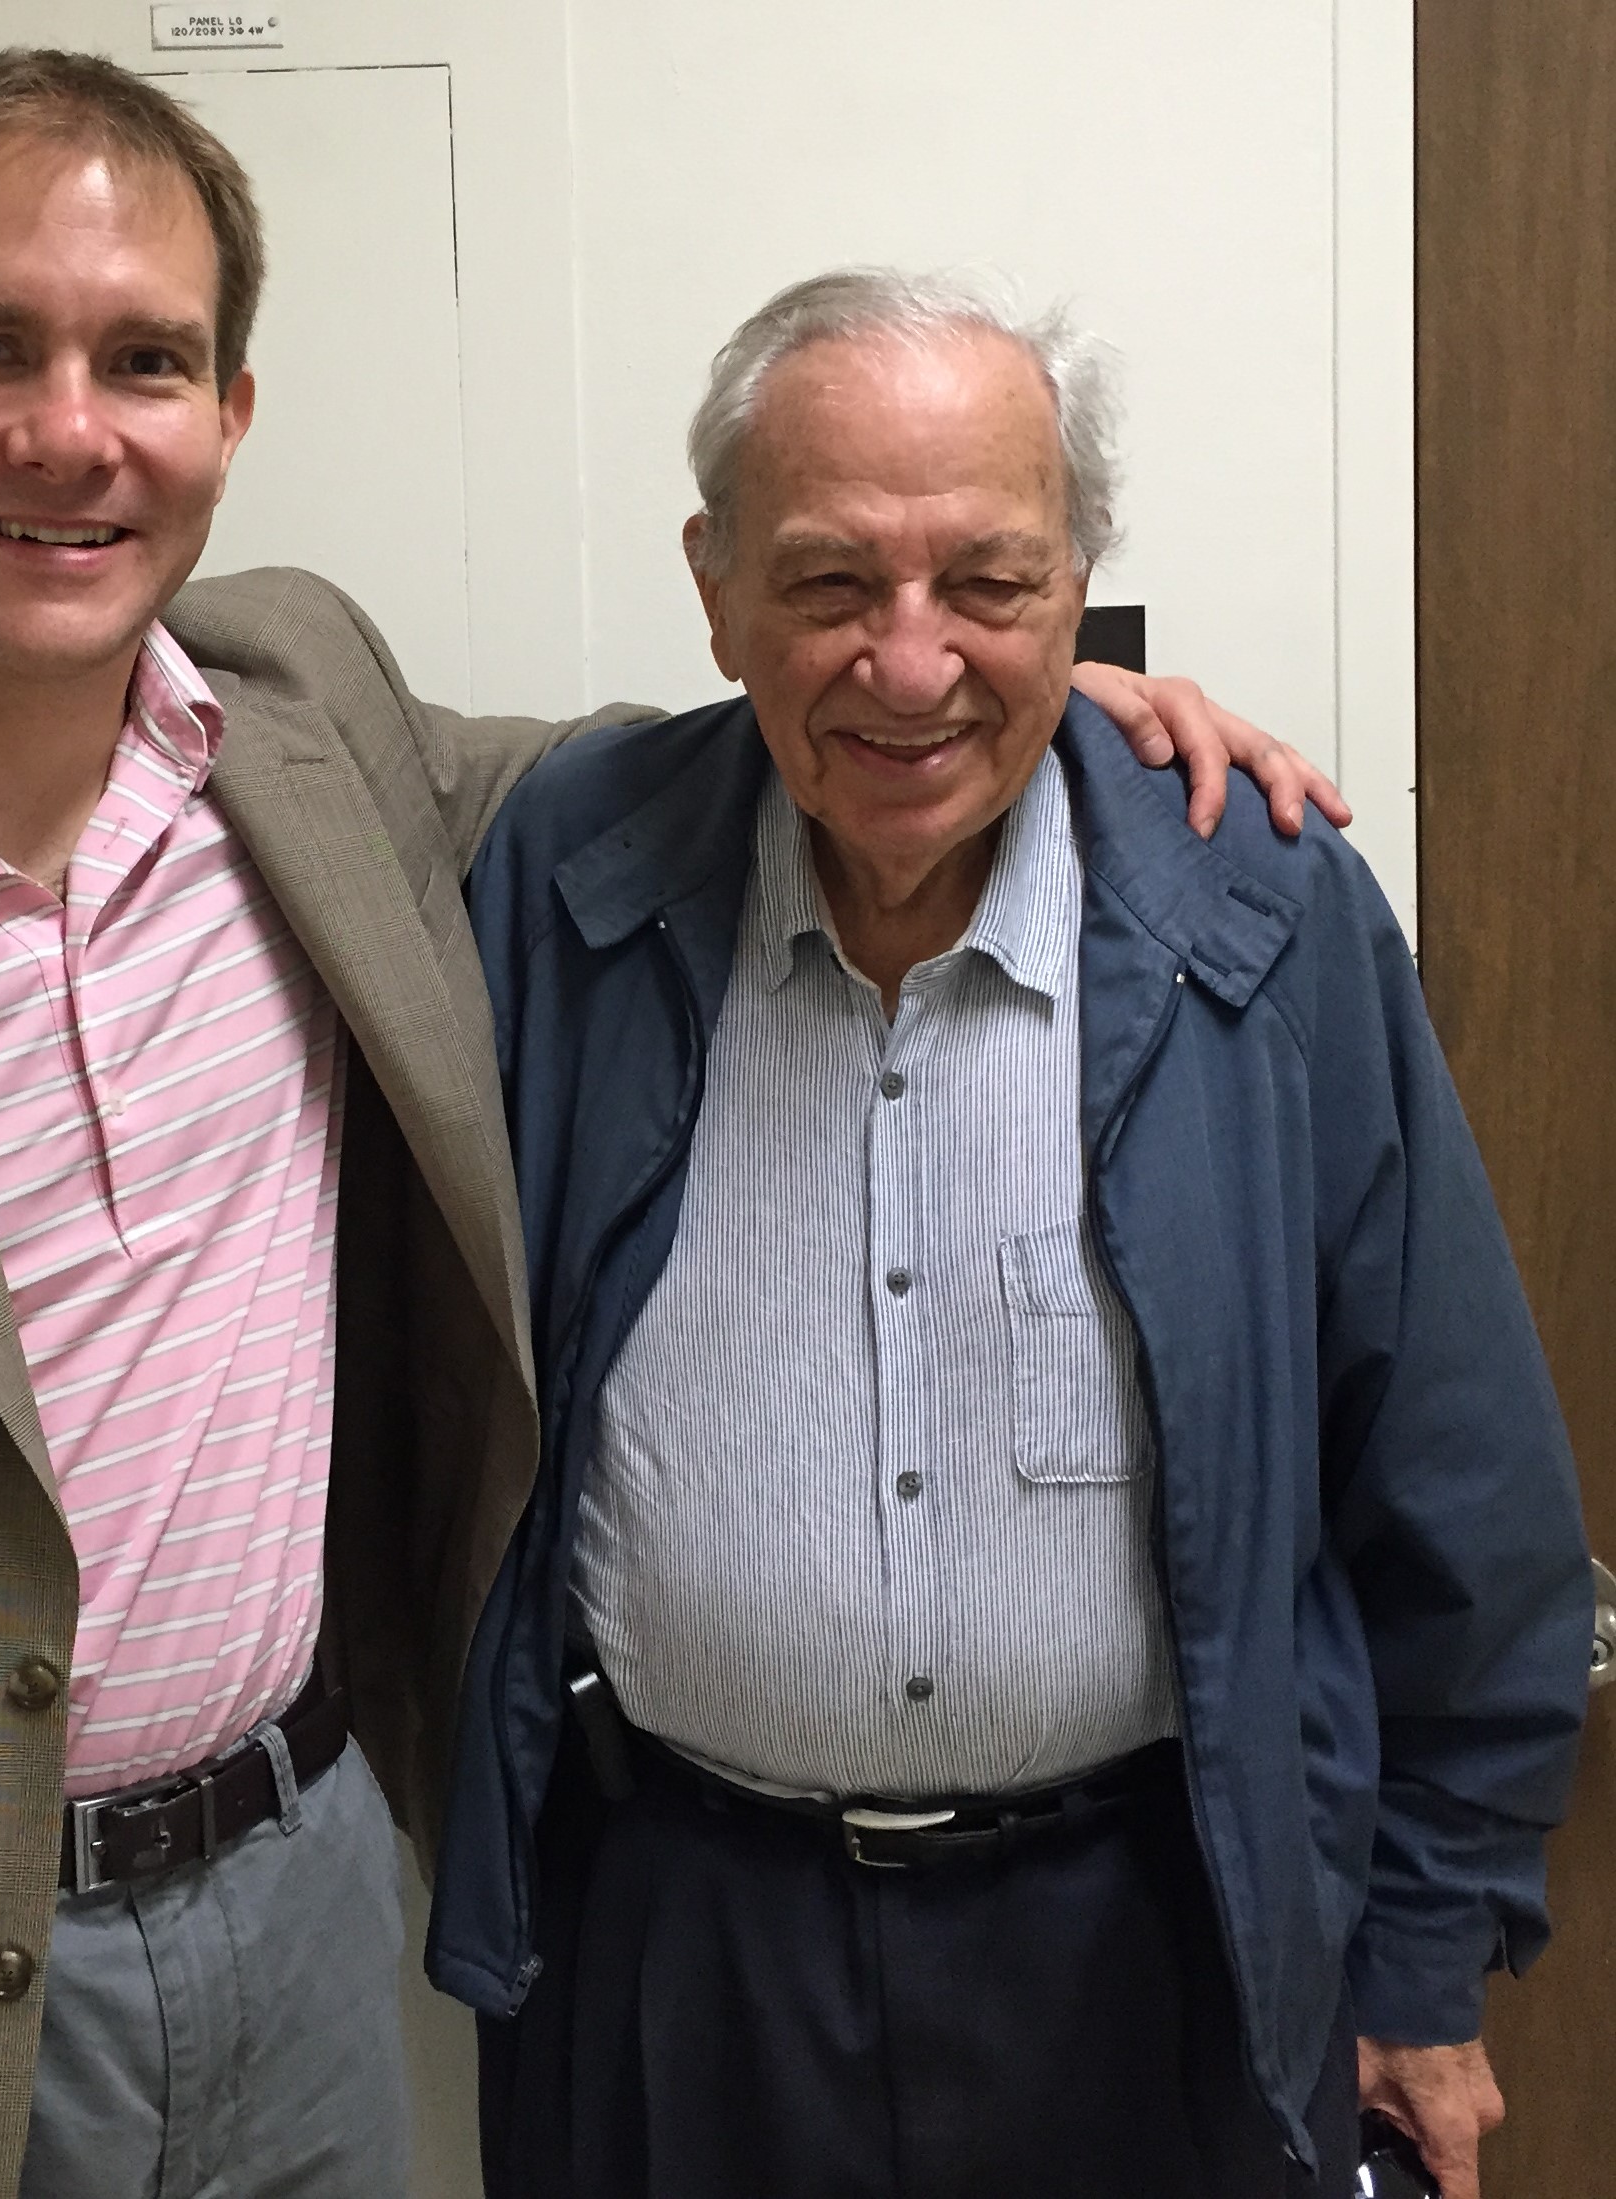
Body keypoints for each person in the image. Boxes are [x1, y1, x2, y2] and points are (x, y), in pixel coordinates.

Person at [0, 53, 1335, 2199]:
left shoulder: (311, 725)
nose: (70, 428)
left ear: (228, 417)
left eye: (145, 360)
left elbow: (714, 764)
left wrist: (1044, 712)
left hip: (306, 1940)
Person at [437, 269, 1593, 2199]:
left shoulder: (1267, 919)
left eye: (988, 582)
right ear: (714, 588)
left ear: (1081, 587)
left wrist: (1423, 1948)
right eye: (828, 586)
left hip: (1156, 1941)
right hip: (685, 1950)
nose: (912, 664)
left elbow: (1456, 1483)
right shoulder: (564, 878)